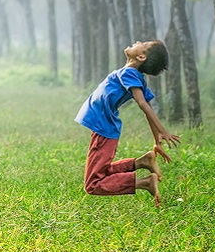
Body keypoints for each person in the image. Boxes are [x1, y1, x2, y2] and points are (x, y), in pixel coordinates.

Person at [75, 40, 181, 207]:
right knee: (101, 172)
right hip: (103, 127)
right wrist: (156, 141)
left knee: (93, 184)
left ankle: (145, 183)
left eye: (143, 44)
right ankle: (142, 162)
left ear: (141, 56)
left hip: (103, 128)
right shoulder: (133, 75)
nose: (138, 41)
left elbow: (143, 103)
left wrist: (162, 131)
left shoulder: (130, 73)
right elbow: (148, 106)